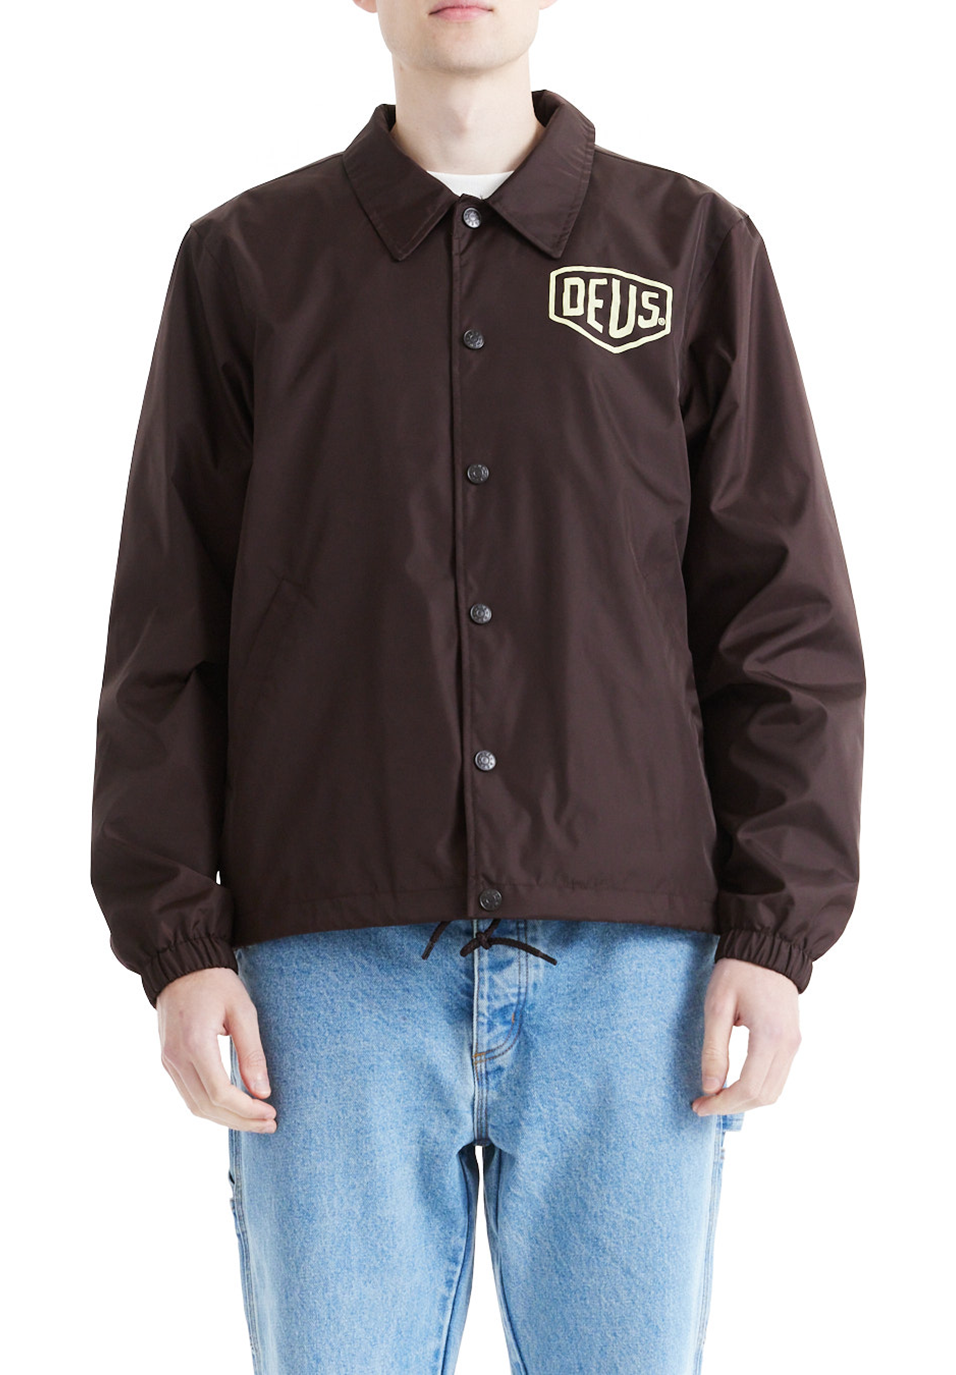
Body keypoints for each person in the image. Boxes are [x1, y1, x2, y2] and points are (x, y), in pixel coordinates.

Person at [90, 1, 866, 1370]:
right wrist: (177, 945)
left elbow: (778, 616)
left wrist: (775, 929)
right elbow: (168, 623)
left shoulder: (693, 251)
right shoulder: (247, 264)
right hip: (326, 980)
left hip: (636, 977)